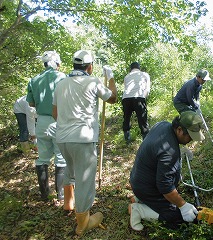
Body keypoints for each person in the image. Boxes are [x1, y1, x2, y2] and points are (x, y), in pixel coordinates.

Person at [52, 50, 117, 236]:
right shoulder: (93, 81)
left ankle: (68, 204)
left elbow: (55, 114)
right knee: (84, 180)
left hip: (63, 139)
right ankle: (83, 223)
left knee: (70, 171)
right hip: (83, 139)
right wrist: (110, 77)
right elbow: (112, 98)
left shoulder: (61, 84)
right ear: (89, 67)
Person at [129, 110, 205, 231]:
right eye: (190, 136)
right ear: (179, 129)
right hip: (147, 187)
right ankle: (138, 210)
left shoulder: (163, 124)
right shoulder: (169, 151)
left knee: (174, 205)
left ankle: (142, 198)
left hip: (139, 179)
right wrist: (182, 205)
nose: (192, 140)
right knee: (178, 218)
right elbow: (165, 186)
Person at [26, 51, 67, 202]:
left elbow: (30, 103)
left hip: (41, 121)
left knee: (42, 158)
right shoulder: (63, 78)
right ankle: (61, 195)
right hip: (58, 120)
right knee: (61, 158)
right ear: (57, 63)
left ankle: (44, 195)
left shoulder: (34, 79)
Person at [121, 62, 151, 143]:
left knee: (126, 118)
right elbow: (147, 89)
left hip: (126, 98)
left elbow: (125, 87)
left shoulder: (127, 76)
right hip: (139, 97)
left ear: (131, 68)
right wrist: (143, 98)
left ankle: (127, 139)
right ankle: (146, 141)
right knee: (142, 120)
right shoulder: (144, 74)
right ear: (139, 68)